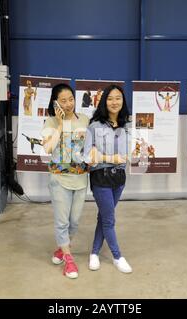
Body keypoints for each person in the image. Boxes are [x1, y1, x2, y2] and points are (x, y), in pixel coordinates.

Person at [41, 83, 90, 279]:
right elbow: (47, 149)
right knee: (62, 222)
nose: (68, 104)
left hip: (80, 177)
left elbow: (89, 147)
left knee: (74, 222)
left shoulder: (85, 120)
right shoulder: (51, 122)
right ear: (56, 103)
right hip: (59, 178)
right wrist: (61, 125)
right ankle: (69, 259)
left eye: (71, 99)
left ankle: (62, 249)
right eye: (63, 100)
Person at [84, 85, 132, 274]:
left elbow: (129, 151)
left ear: (123, 101)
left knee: (103, 217)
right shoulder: (95, 125)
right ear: (104, 101)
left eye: (118, 98)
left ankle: (94, 253)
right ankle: (117, 256)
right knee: (109, 220)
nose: (114, 102)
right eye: (110, 98)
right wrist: (108, 158)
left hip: (119, 177)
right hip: (101, 178)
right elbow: (87, 155)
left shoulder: (126, 125)